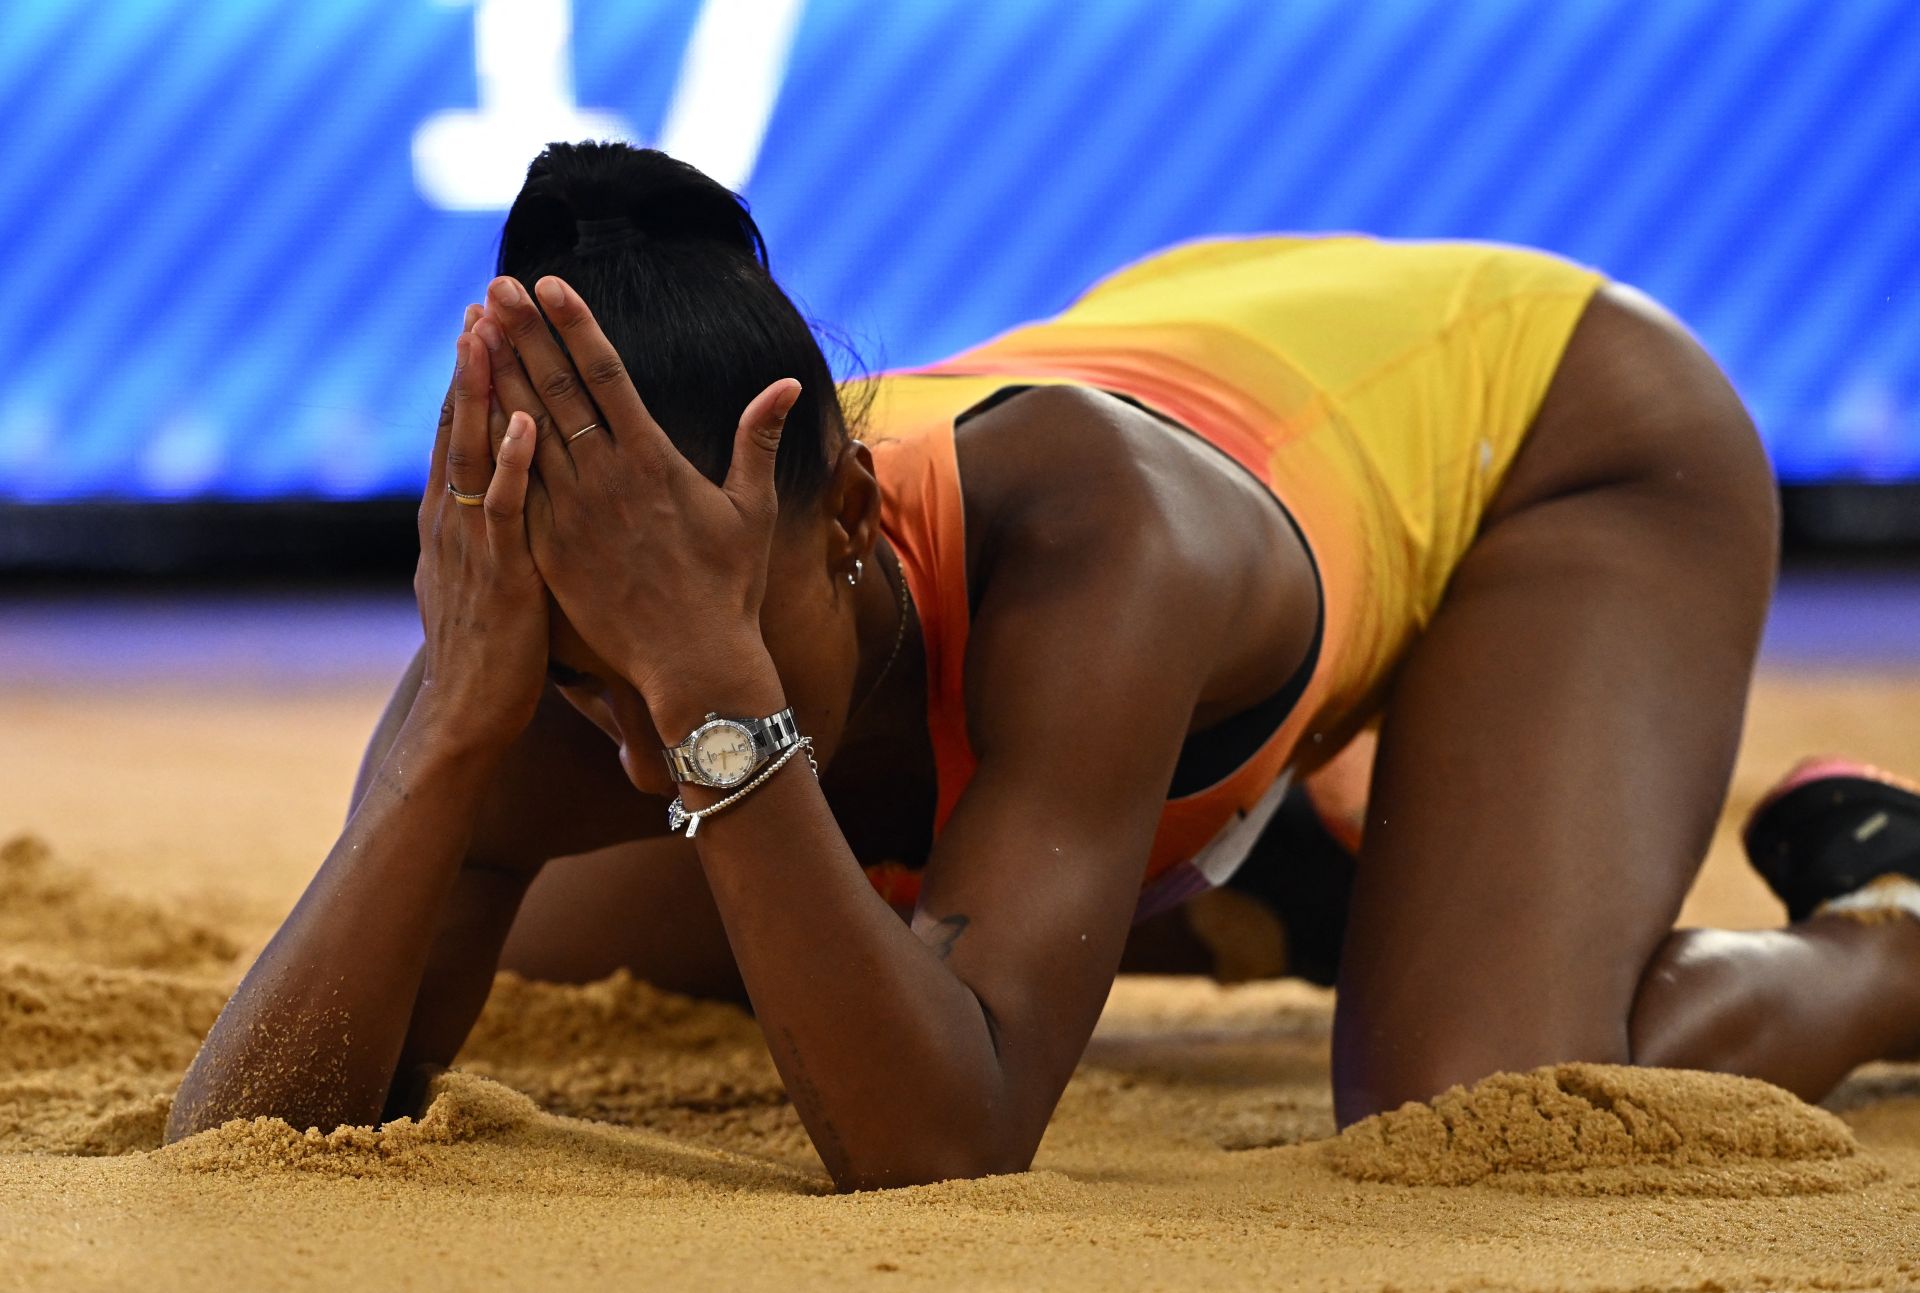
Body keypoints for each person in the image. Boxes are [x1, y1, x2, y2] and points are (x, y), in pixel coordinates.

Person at [164, 142, 1920, 1190]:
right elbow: (249, 1136)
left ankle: (1884, 931)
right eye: (581, 677)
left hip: (1540, 436)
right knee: (570, 911)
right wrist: (453, 735)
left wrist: (709, 703)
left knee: (1484, 1089)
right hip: (1174, 515)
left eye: (683, 651)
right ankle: (1270, 859)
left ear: (844, 517)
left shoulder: (1097, 546)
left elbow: (947, 1144)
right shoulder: (565, 610)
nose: (630, 740)